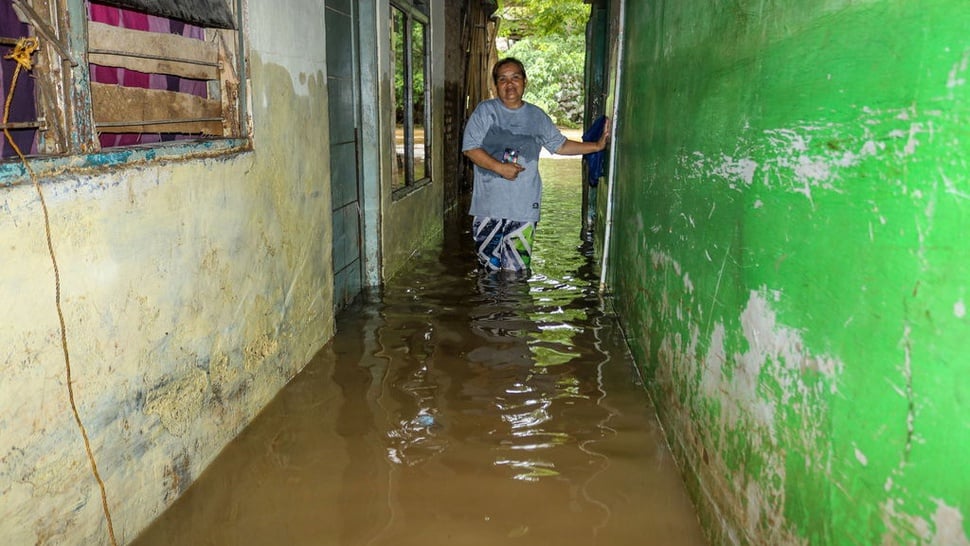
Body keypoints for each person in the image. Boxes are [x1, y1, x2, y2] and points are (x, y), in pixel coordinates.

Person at [462, 57, 610, 274]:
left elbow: (560, 146)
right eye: (502, 79)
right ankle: (492, 309)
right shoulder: (485, 111)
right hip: (488, 208)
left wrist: (596, 146)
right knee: (488, 272)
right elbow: (470, 148)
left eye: (515, 78)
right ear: (495, 86)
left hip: (524, 208)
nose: (509, 84)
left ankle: (512, 307)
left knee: (517, 273)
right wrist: (499, 167)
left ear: (524, 82)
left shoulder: (536, 116)